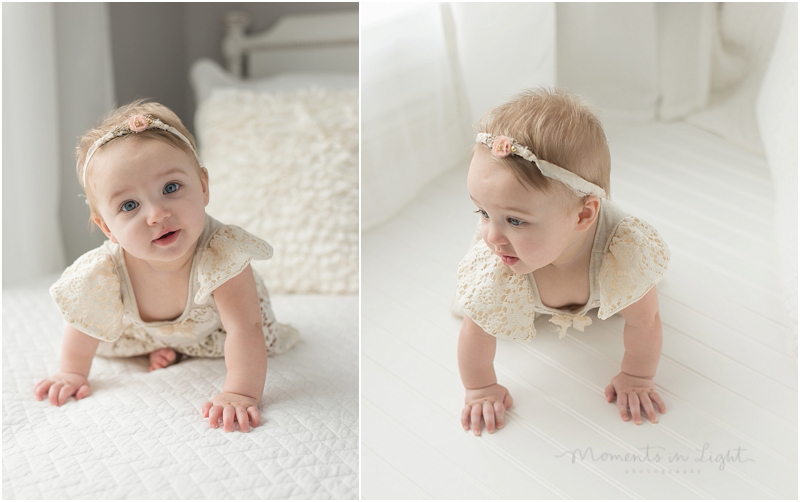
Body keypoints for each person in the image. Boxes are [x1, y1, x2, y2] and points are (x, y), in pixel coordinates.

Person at [34, 100, 299, 433]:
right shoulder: (106, 271)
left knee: (245, 333)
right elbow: (84, 323)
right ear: (108, 229)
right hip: (145, 330)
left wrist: (239, 392)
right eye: (129, 205)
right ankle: (164, 346)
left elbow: (244, 329)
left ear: (203, 187)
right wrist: (72, 373)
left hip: (214, 328)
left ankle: (179, 348)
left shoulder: (221, 255)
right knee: (104, 331)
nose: (157, 214)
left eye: (171, 188)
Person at [456, 88, 670, 435]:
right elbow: (475, 333)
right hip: (525, 270)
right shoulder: (497, 260)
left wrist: (636, 376)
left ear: (584, 215)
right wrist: (479, 388)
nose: (490, 236)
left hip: (596, 261)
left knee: (640, 292)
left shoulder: (622, 252)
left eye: (515, 220)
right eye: (481, 212)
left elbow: (646, 322)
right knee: (476, 305)